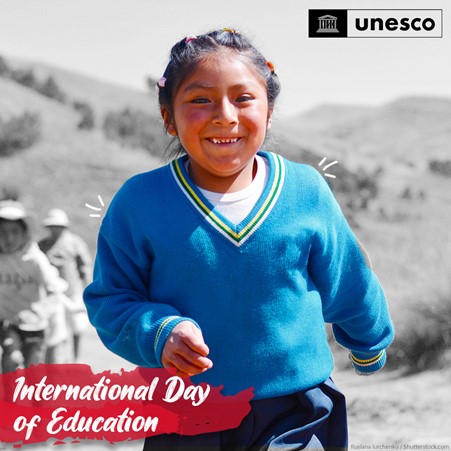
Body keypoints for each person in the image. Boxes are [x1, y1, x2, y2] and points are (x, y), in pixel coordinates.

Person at [84, 29, 394, 450]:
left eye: (243, 98)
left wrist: (368, 340)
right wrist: (160, 332)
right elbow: (111, 299)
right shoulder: (140, 203)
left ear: (269, 111)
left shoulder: (305, 191)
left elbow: (347, 276)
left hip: (295, 410)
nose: (224, 115)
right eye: (199, 100)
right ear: (167, 117)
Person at [0, 200, 68, 373]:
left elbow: (53, 289)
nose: (9, 238)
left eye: (15, 232)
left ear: (24, 233)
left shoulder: (35, 260)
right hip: (7, 323)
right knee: (11, 359)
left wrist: (43, 310)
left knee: (33, 371)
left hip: (34, 325)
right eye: (2, 232)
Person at [38, 209, 92, 362]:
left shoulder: (75, 243)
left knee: (77, 326)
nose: (55, 229)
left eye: (58, 226)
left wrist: (88, 289)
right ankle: (56, 360)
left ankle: (76, 358)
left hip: (73, 291)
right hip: (51, 294)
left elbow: (85, 267)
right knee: (55, 329)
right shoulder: (43, 245)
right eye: (52, 226)